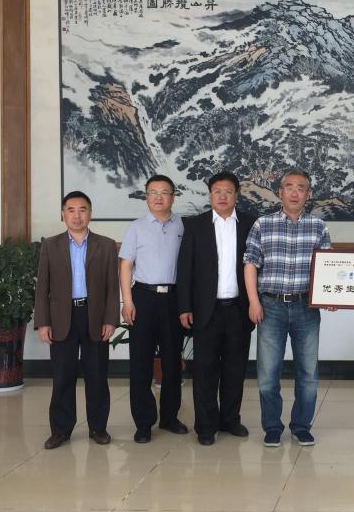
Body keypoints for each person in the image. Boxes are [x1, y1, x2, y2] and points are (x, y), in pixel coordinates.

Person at [243, 168, 332, 447]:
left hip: (307, 307)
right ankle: (272, 427)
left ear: (308, 194)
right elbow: (250, 264)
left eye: (301, 188)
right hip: (270, 306)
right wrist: (254, 301)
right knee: (268, 373)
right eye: (289, 187)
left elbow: (328, 268)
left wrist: (330, 295)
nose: (295, 192)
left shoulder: (318, 227)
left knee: (308, 373)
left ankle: (301, 426)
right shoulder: (262, 224)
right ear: (280, 192)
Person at [33, 190, 119, 449]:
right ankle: (60, 430)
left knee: (97, 377)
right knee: (63, 377)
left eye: (82, 210)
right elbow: (42, 287)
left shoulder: (106, 245)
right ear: (63, 214)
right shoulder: (51, 245)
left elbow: (112, 287)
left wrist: (110, 319)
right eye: (70, 210)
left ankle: (98, 428)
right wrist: (43, 322)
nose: (77, 216)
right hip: (62, 318)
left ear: (90, 214)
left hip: (95, 317)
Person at [177, 171, 257, 445]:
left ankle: (230, 419)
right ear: (210, 195)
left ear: (237, 195)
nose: (222, 196)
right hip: (205, 311)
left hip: (238, 309)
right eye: (217, 192)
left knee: (235, 369)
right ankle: (206, 426)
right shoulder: (195, 225)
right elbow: (185, 269)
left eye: (228, 192)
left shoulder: (250, 224)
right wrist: (185, 307)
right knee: (205, 371)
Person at [119, 174, 187, 444]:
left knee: (172, 362)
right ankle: (144, 422)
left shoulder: (183, 225)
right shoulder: (136, 228)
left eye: (164, 192)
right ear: (146, 196)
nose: (159, 197)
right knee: (141, 363)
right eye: (153, 192)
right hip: (143, 298)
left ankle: (169, 417)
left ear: (173, 196)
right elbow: (126, 265)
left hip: (174, 299)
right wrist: (127, 301)